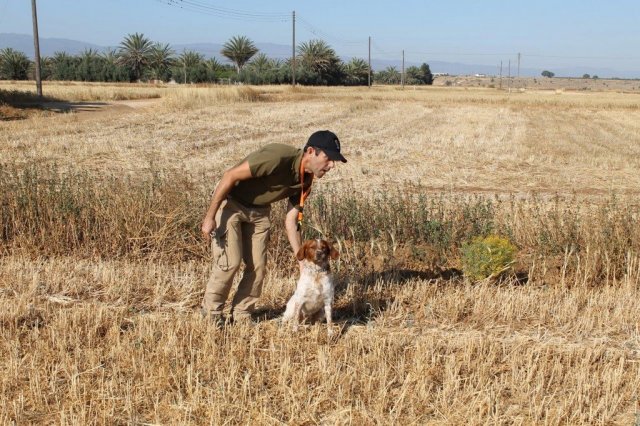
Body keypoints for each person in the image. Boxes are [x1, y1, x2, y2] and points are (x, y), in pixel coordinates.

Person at [200, 130, 347, 324]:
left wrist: (301, 260)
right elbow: (230, 176)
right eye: (328, 159)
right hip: (231, 203)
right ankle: (211, 314)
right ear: (311, 151)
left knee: (258, 267)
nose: (331, 166)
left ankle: (242, 314)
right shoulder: (278, 157)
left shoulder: (306, 181)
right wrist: (210, 216)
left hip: (259, 212)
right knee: (230, 262)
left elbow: (291, 221)